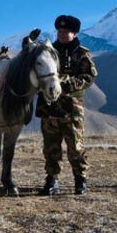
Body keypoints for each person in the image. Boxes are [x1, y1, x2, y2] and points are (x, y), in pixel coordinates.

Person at [37, 15, 98, 196]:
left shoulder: (81, 53)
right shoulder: (48, 52)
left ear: (75, 33)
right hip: (49, 109)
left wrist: (66, 85)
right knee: (51, 148)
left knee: (76, 147)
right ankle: (52, 181)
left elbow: (89, 77)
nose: (62, 34)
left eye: (66, 32)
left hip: (71, 109)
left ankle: (80, 180)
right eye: (59, 31)